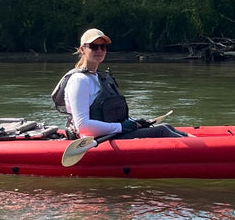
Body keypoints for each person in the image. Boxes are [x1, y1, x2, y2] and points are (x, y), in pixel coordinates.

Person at [51, 28, 186, 139]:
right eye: (93, 46)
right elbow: (83, 126)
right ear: (82, 49)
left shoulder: (99, 77)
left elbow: (110, 114)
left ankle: (198, 145)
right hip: (94, 138)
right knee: (161, 131)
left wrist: (134, 122)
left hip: (111, 132)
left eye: (103, 47)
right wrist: (122, 127)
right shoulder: (79, 80)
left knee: (166, 127)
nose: (99, 50)